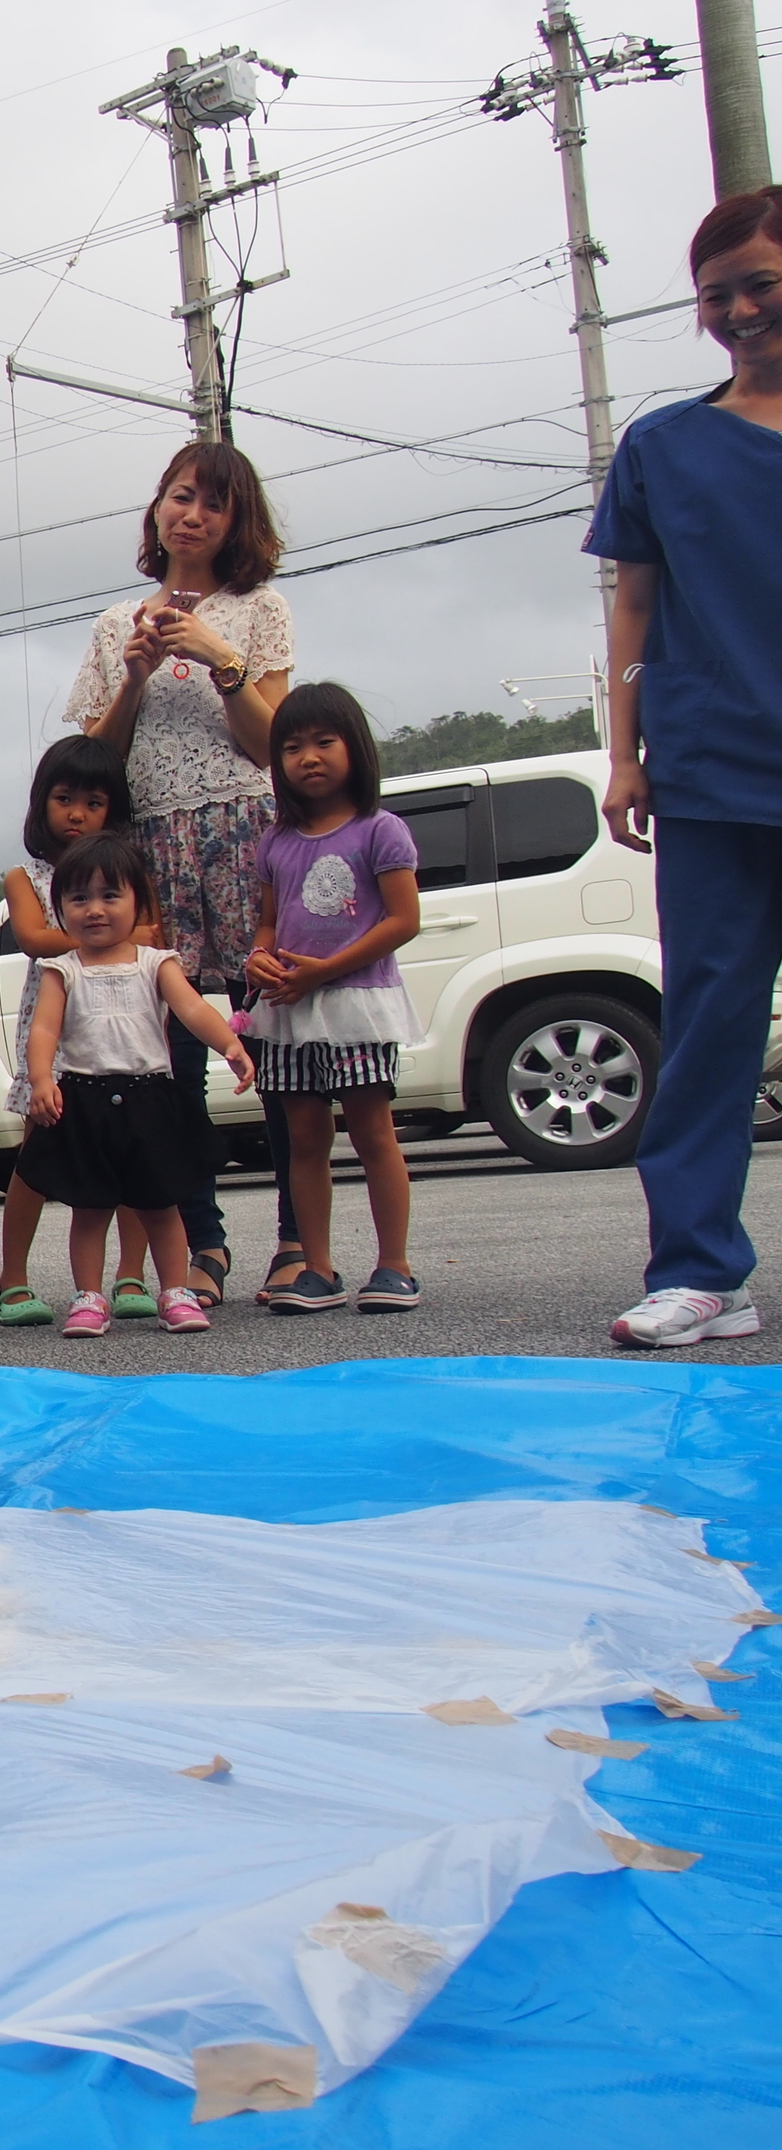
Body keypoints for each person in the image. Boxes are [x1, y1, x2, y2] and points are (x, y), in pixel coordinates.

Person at [589, 184, 782, 1349]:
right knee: (711, 1021)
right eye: (718, 296)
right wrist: (625, 753)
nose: (741, 310)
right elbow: (634, 603)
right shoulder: (663, 444)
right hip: (712, 770)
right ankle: (702, 1270)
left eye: (762, 284)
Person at [68, 441, 295, 1308]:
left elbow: (271, 746)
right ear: (157, 509)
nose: (191, 514)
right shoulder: (115, 621)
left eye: (212, 503)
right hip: (150, 847)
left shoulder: (260, 609)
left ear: (239, 522)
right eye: (179, 496)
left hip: (244, 834)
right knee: (170, 1060)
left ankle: (295, 1239)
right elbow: (97, 760)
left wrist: (213, 652)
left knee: (270, 1040)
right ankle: (204, 1243)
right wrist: (131, 674)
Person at [17, 832, 257, 1339]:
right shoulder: (62, 969)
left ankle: (175, 1291)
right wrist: (41, 1079)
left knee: (160, 1204)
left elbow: (192, 1008)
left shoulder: (156, 962)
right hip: (83, 1099)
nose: (95, 910)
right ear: (60, 909)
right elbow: (44, 1029)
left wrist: (229, 1045)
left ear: (138, 903)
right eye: (78, 899)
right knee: (90, 1209)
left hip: (151, 1098)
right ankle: (88, 1298)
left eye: (110, 896)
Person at [246, 684, 423, 1316]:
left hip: (357, 1006)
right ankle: (317, 1268)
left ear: (355, 748)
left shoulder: (382, 830)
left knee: (373, 1132)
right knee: (303, 1138)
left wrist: (324, 971)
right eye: (292, 747)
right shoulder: (276, 841)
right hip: (289, 1010)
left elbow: (403, 920)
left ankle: (394, 1265)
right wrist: (259, 957)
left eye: (324, 742)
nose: (308, 758)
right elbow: (269, 922)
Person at [0, 736, 156, 1328]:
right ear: (42, 805)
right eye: (64, 799)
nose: (78, 814)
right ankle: (13, 1279)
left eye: (94, 801)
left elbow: (154, 936)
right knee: (38, 1151)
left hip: (129, 1034)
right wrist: (111, 935)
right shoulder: (26, 876)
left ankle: (131, 1273)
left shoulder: (132, 871)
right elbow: (35, 938)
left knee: (135, 1152)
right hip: (55, 1034)